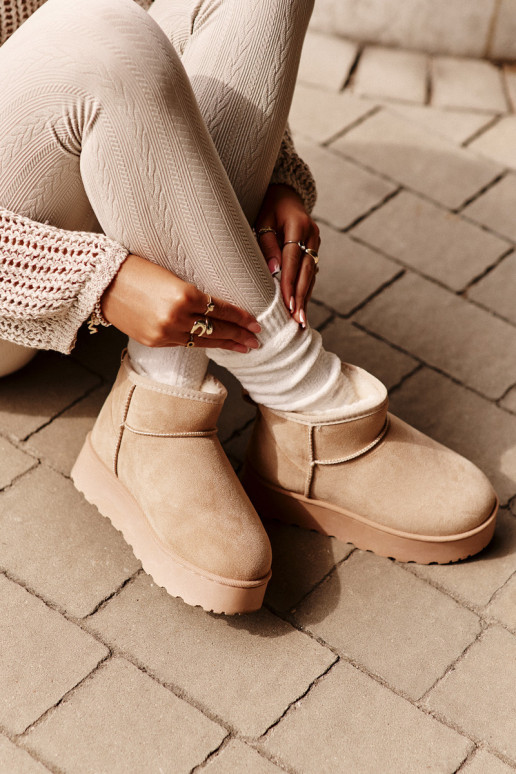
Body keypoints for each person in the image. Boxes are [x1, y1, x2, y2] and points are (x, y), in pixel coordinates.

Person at [0, 0, 499, 615]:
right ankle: (306, 396)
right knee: (94, 31)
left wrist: (275, 176)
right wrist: (88, 280)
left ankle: (162, 392)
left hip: (85, 159)